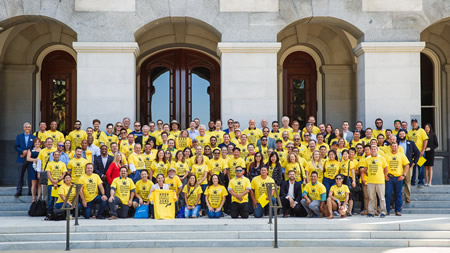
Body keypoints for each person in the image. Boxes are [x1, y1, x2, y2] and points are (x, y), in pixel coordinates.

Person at [361, 145, 388, 218]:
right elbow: (365, 169)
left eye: (374, 149)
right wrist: (369, 174)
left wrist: (385, 175)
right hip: (370, 181)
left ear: (377, 150)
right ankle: (371, 211)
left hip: (380, 181)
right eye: (372, 149)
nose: (373, 150)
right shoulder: (367, 159)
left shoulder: (382, 158)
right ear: (370, 150)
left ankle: (383, 211)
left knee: (381, 197)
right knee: (371, 197)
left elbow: (386, 168)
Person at [384, 142, 409, 216]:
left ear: (398, 147)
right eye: (392, 146)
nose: (394, 147)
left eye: (395, 146)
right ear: (390, 147)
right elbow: (384, 166)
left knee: (398, 195)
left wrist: (404, 175)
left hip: (398, 178)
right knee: (387, 194)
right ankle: (387, 210)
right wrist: (385, 175)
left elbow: (407, 165)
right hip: (389, 178)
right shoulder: (386, 155)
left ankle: (398, 210)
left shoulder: (401, 155)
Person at [15, 122, 36, 197]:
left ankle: (30, 191)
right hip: (21, 159)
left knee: (30, 175)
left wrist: (28, 152)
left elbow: (34, 147)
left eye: (29, 127)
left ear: (30, 128)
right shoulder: (19, 136)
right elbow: (16, 146)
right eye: (26, 127)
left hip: (30, 159)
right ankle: (19, 191)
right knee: (20, 175)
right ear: (24, 128)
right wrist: (22, 151)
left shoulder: (33, 137)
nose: (27, 128)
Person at [408, 119, 428, 188]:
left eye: (415, 123)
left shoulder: (422, 130)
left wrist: (423, 150)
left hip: (420, 153)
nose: (414, 124)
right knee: (412, 167)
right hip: (412, 153)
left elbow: (425, 140)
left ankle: (421, 182)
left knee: (421, 168)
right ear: (411, 124)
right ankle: (412, 182)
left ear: (417, 123)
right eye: (412, 123)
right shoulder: (409, 132)